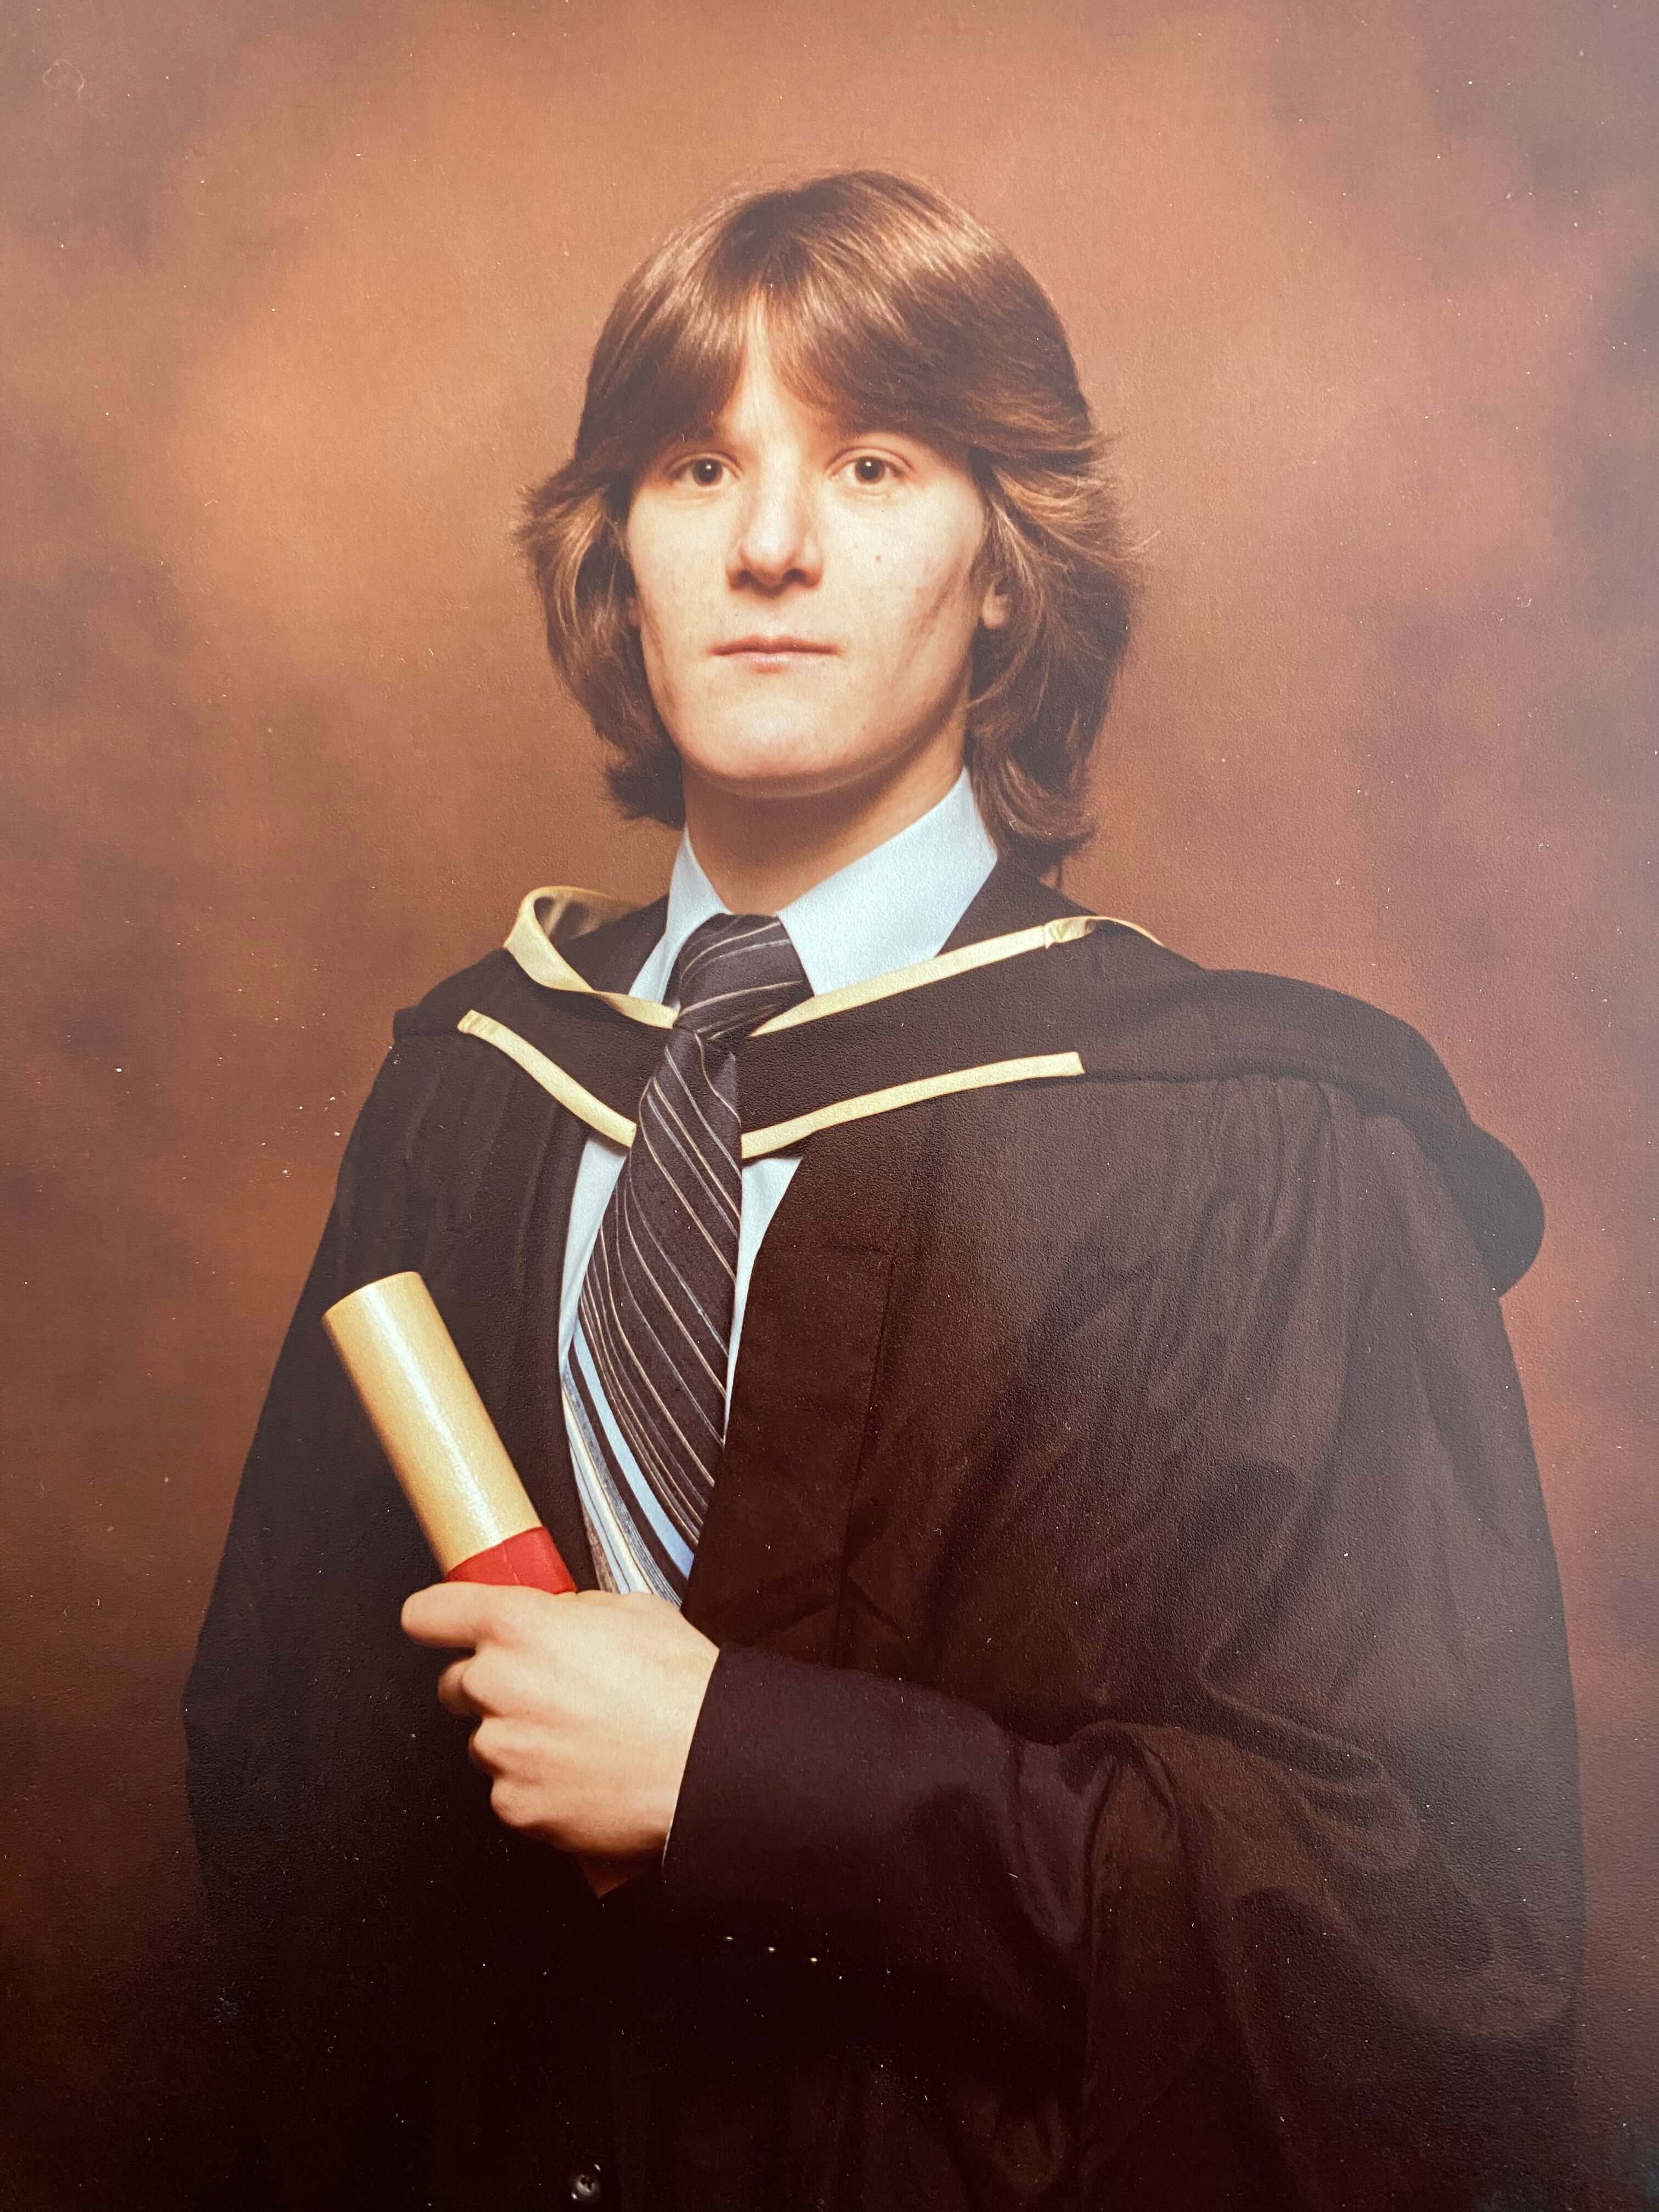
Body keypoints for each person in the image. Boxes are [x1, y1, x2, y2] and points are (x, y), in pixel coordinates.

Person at [183, 170, 1583, 2211]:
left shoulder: (1259, 1145)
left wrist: (749, 1782)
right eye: (695, 468)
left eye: (872, 463)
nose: (768, 544)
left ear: (1007, 569)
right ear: (617, 559)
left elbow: (1418, 1934)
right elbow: (286, 1786)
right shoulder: (474, 1089)